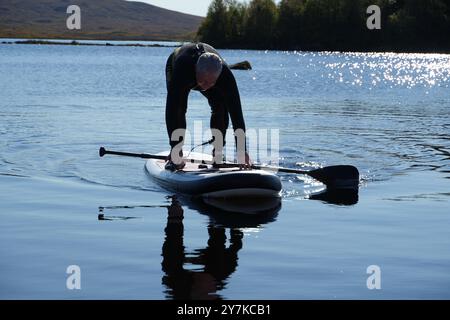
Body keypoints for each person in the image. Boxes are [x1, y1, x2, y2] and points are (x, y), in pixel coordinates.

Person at [164, 42, 251, 171]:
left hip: (208, 71)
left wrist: (241, 150)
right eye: (203, 81)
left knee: (221, 106)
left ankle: (218, 152)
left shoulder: (225, 76)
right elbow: (172, 109)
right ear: (196, 71)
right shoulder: (182, 71)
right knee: (179, 106)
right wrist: (175, 146)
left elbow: (236, 113)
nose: (205, 86)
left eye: (210, 82)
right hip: (175, 63)